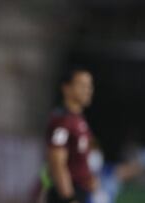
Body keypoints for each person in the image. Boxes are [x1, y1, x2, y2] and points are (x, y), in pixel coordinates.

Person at [45, 69, 98, 203]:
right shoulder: (63, 121)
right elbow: (57, 162)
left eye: (89, 86)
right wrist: (69, 198)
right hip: (66, 195)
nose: (88, 90)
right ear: (66, 88)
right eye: (82, 85)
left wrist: (89, 178)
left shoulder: (79, 120)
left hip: (81, 191)